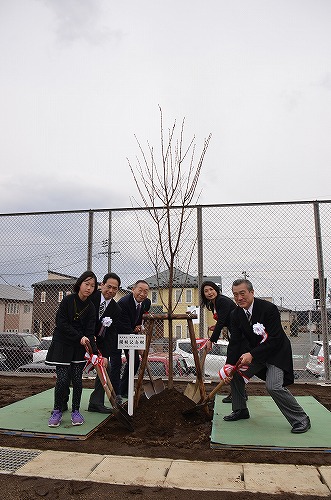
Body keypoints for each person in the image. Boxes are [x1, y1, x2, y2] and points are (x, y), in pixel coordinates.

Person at [223, 278, 311, 434]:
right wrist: (229, 366)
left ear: (252, 292)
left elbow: (275, 339)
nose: (239, 298)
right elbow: (235, 342)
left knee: (273, 386)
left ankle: (301, 419)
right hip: (256, 353)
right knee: (235, 373)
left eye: (242, 293)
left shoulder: (268, 309)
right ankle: (240, 410)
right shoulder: (235, 314)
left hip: (276, 353)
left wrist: (251, 354)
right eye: (235, 295)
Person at [45, 270, 98, 427]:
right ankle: (57, 410)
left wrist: (94, 352)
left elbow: (90, 331)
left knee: (77, 380)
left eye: (92, 286)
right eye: (86, 284)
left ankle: (76, 411)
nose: (89, 288)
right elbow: (61, 323)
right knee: (62, 380)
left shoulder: (91, 307)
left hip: (78, 347)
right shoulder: (68, 300)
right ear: (80, 284)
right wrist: (78, 336)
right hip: (62, 344)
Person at [200, 280, 248, 403]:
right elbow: (223, 320)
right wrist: (214, 328)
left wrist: (211, 340)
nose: (209, 293)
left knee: (231, 364)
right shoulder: (213, 304)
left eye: (211, 289)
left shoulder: (222, 301)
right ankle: (240, 393)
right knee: (235, 364)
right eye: (206, 291)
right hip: (235, 333)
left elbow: (222, 321)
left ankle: (237, 394)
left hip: (240, 336)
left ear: (216, 289)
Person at [87, 272, 122, 413]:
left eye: (115, 288)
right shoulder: (90, 298)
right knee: (71, 371)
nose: (111, 291)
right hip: (82, 340)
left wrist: (105, 355)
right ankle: (62, 403)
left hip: (98, 344)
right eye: (109, 286)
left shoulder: (116, 309)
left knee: (105, 367)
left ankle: (95, 403)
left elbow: (111, 335)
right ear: (101, 285)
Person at [117, 280, 151, 399]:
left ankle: (124, 389)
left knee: (135, 362)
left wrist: (140, 327)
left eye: (145, 291)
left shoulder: (147, 302)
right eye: (140, 290)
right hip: (120, 335)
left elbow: (142, 319)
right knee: (120, 363)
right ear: (133, 290)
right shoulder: (124, 303)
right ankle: (119, 391)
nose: (142, 294)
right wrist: (136, 340)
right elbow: (123, 325)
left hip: (133, 333)